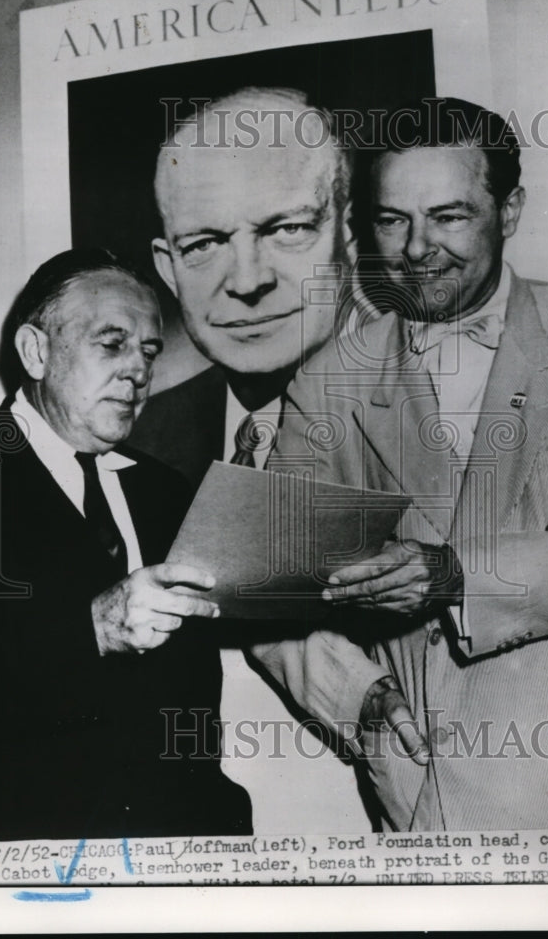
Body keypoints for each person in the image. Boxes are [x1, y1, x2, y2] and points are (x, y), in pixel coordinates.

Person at [253, 97, 548, 830]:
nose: (416, 248)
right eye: (391, 219)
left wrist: (457, 574)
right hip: (432, 801)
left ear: (510, 208)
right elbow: (263, 575)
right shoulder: (326, 378)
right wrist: (358, 699)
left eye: (448, 216)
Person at [0, 247, 251, 843]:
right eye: (111, 344)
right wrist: (92, 629)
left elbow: (191, 699)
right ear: (35, 352)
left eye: (148, 352)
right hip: (22, 873)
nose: (138, 372)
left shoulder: (167, 492)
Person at [128, 88, 374, 832]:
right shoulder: (142, 439)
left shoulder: (459, 403)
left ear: (349, 234)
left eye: (287, 230)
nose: (245, 279)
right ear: (168, 267)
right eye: (204, 244)